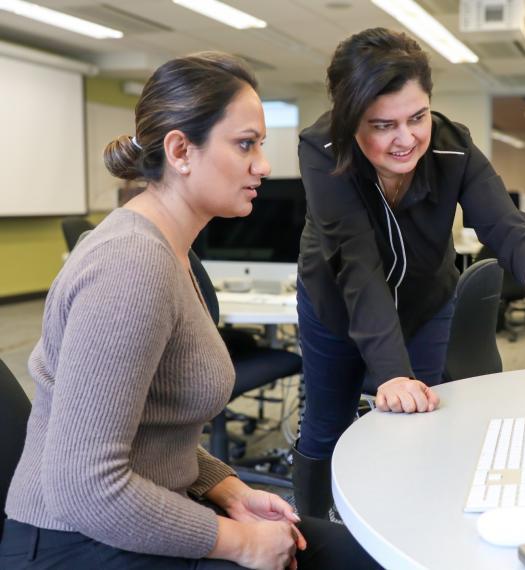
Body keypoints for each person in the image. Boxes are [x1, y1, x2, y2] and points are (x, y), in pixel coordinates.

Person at [0, 52, 379, 570]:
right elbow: (83, 485)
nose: (263, 165)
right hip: (76, 543)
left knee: (356, 554)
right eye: (246, 144)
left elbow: (152, 430)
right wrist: (240, 542)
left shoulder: (170, 250)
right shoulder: (130, 265)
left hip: (134, 514)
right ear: (180, 150)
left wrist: (224, 487)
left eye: (261, 145)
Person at [292, 28, 525, 518]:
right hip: (337, 303)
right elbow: (356, 264)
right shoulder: (324, 150)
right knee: (325, 426)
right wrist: (392, 373)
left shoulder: (452, 146)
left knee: (417, 421)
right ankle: (312, 540)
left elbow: (503, 223)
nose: (406, 139)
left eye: (417, 117)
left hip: (426, 302)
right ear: (349, 119)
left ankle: (403, 522)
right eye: (383, 125)